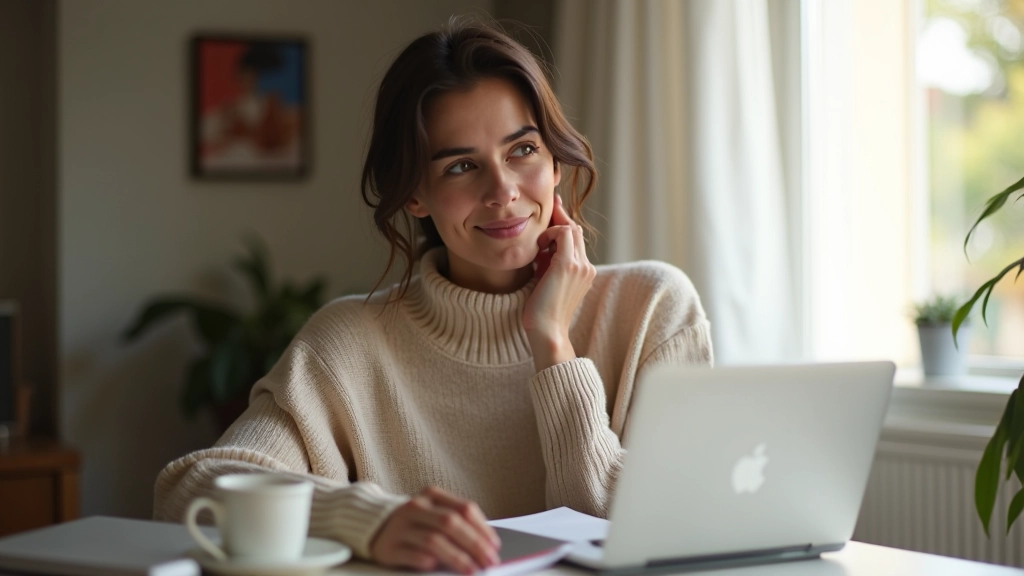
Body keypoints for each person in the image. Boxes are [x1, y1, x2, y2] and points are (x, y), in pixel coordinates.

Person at [154, 17, 713, 575]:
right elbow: (190, 489)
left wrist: (552, 343)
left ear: (556, 161)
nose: (503, 191)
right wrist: (366, 520)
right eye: (462, 166)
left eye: (522, 150)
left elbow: (651, 527)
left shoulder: (653, 309)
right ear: (416, 194)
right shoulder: (348, 342)